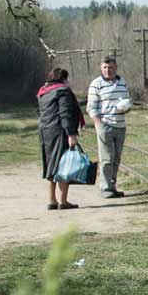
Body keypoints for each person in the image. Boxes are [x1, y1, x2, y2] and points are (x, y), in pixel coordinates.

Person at [37, 67, 84, 210]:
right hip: (60, 131)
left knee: (51, 164)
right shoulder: (63, 91)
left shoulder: (43, 92)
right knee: (65, 164)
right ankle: (63, 201)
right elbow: (65, 113)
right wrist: (71, 134)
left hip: (46, 132)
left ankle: (52, 200)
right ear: (63, 79)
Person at [86, 55, 132, 198]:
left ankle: (112, 186)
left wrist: (126, 107)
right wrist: (98, 124)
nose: (108, 70)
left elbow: (127, 100)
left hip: (120, 125)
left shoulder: (122, 82)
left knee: (116, 158)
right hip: (105, 125)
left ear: (116, 68)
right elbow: (91, 107)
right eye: (105, 67)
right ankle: (105, 188)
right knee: (106, 158)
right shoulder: (96, 84)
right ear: (101, 68)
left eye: (111, 67)